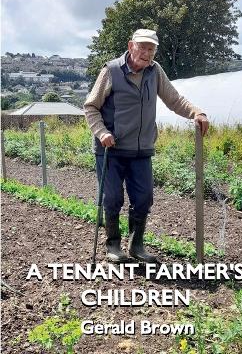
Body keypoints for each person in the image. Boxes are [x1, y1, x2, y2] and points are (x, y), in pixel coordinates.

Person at [84, 29, 209, 263]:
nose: (147, 53)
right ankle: (113, 245)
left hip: (141, 149)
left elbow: (174, 99)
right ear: (131, 46)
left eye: (151, 49)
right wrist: (101, 132)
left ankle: (136, 246)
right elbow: (91, 106)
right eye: (142, 47)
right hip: (110, 148)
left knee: (143, 198)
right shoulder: (111, 71)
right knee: (112, 198)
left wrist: (196, 112)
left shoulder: (155, 71)